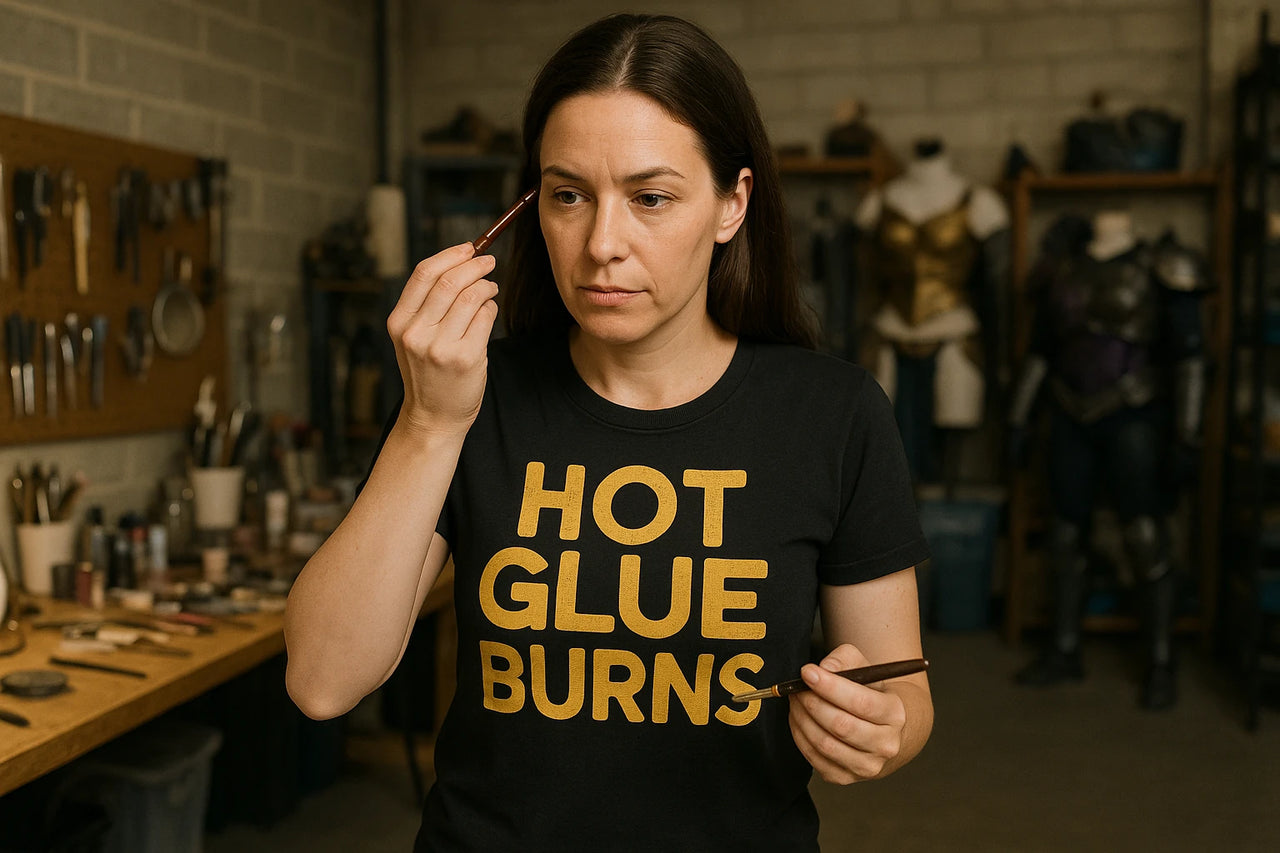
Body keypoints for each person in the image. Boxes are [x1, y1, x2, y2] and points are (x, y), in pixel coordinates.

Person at [285, 14, 933, 851]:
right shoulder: (469, 395)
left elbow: (903, 692)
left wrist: (879, 729)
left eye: (650, 198)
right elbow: (322, 682)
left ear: (733, 203)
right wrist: (428, 422)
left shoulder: (833, 413)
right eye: (568, 195)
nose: (601, 245)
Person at [1008, 210, 1210, 710]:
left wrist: (1187, 435)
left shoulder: (1161, 265)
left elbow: (1189, 356)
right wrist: (1018, 418)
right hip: (1068, 413)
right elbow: (1041, 349)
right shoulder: (1063, 269)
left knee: (1144, 534)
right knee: (1065, 532)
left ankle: (1160, 660)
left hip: (1135, 414)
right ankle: (1064, 649)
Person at [855, 138, 1009, 483]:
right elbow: (863, 279)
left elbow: (997, 286)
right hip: (891, 328)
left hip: (953, 327)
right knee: (883, 439)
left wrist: (1001, 351)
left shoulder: (978, 201)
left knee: (952, 436)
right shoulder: (880, 201)